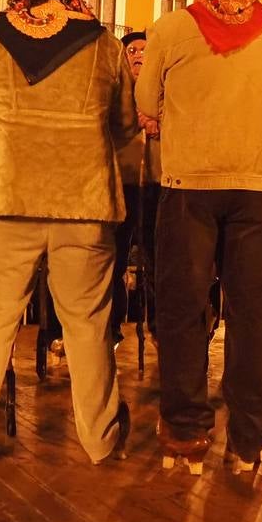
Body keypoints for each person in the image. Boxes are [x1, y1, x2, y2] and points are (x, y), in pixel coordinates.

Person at [0, 0, 135, 466]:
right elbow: (124, 124)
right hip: (85, 202)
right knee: (88, 326)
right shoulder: (105, 45)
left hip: (9, 199)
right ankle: (99, 440)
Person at [136, 0, 262, 474]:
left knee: (184, 307)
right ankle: (249, 435)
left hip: (189, 183)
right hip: (257, 186)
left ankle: (186, 428)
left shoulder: (172, 28)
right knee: (251, 311)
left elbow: (144, 101)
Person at [113, 30, 161, 344]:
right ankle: (113, 323)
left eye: (144, 50)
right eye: (131, 50)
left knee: (155, 260)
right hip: (123, 182)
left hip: (155, 183)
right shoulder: (117, 94)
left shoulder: (161, 92)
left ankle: (158, 325)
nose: (138, 55)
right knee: (115, 259)